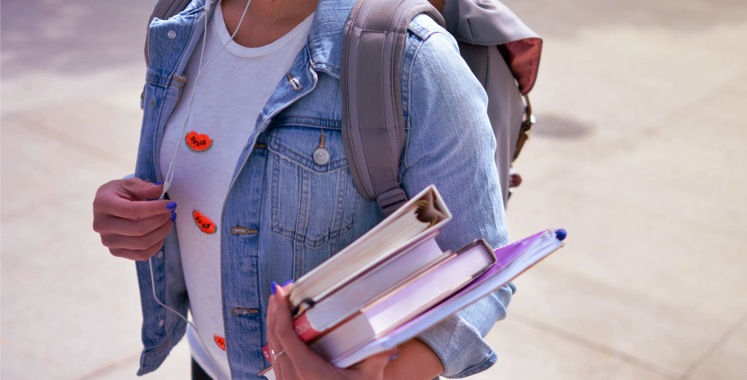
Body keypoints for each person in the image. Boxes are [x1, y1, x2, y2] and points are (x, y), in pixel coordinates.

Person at [92, 0, 514, 378]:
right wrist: (127, 213)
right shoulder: (178, 20)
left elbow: (482, 267)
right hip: (207, 362)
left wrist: (395, 373)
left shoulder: (412, 57)